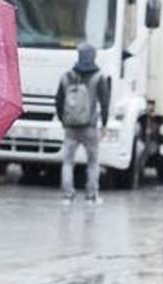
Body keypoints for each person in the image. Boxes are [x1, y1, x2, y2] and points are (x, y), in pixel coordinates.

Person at [55, 43, 111, 206]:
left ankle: (67, 195)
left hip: (70, 128)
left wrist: (63, 121)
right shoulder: (99, 77)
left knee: (67, 162)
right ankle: (91, 196)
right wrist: (104, 125)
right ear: (93, 56)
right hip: (90, 127)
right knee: (93, 163)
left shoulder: (66, 77)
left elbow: (58, 101)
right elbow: (105, 103)